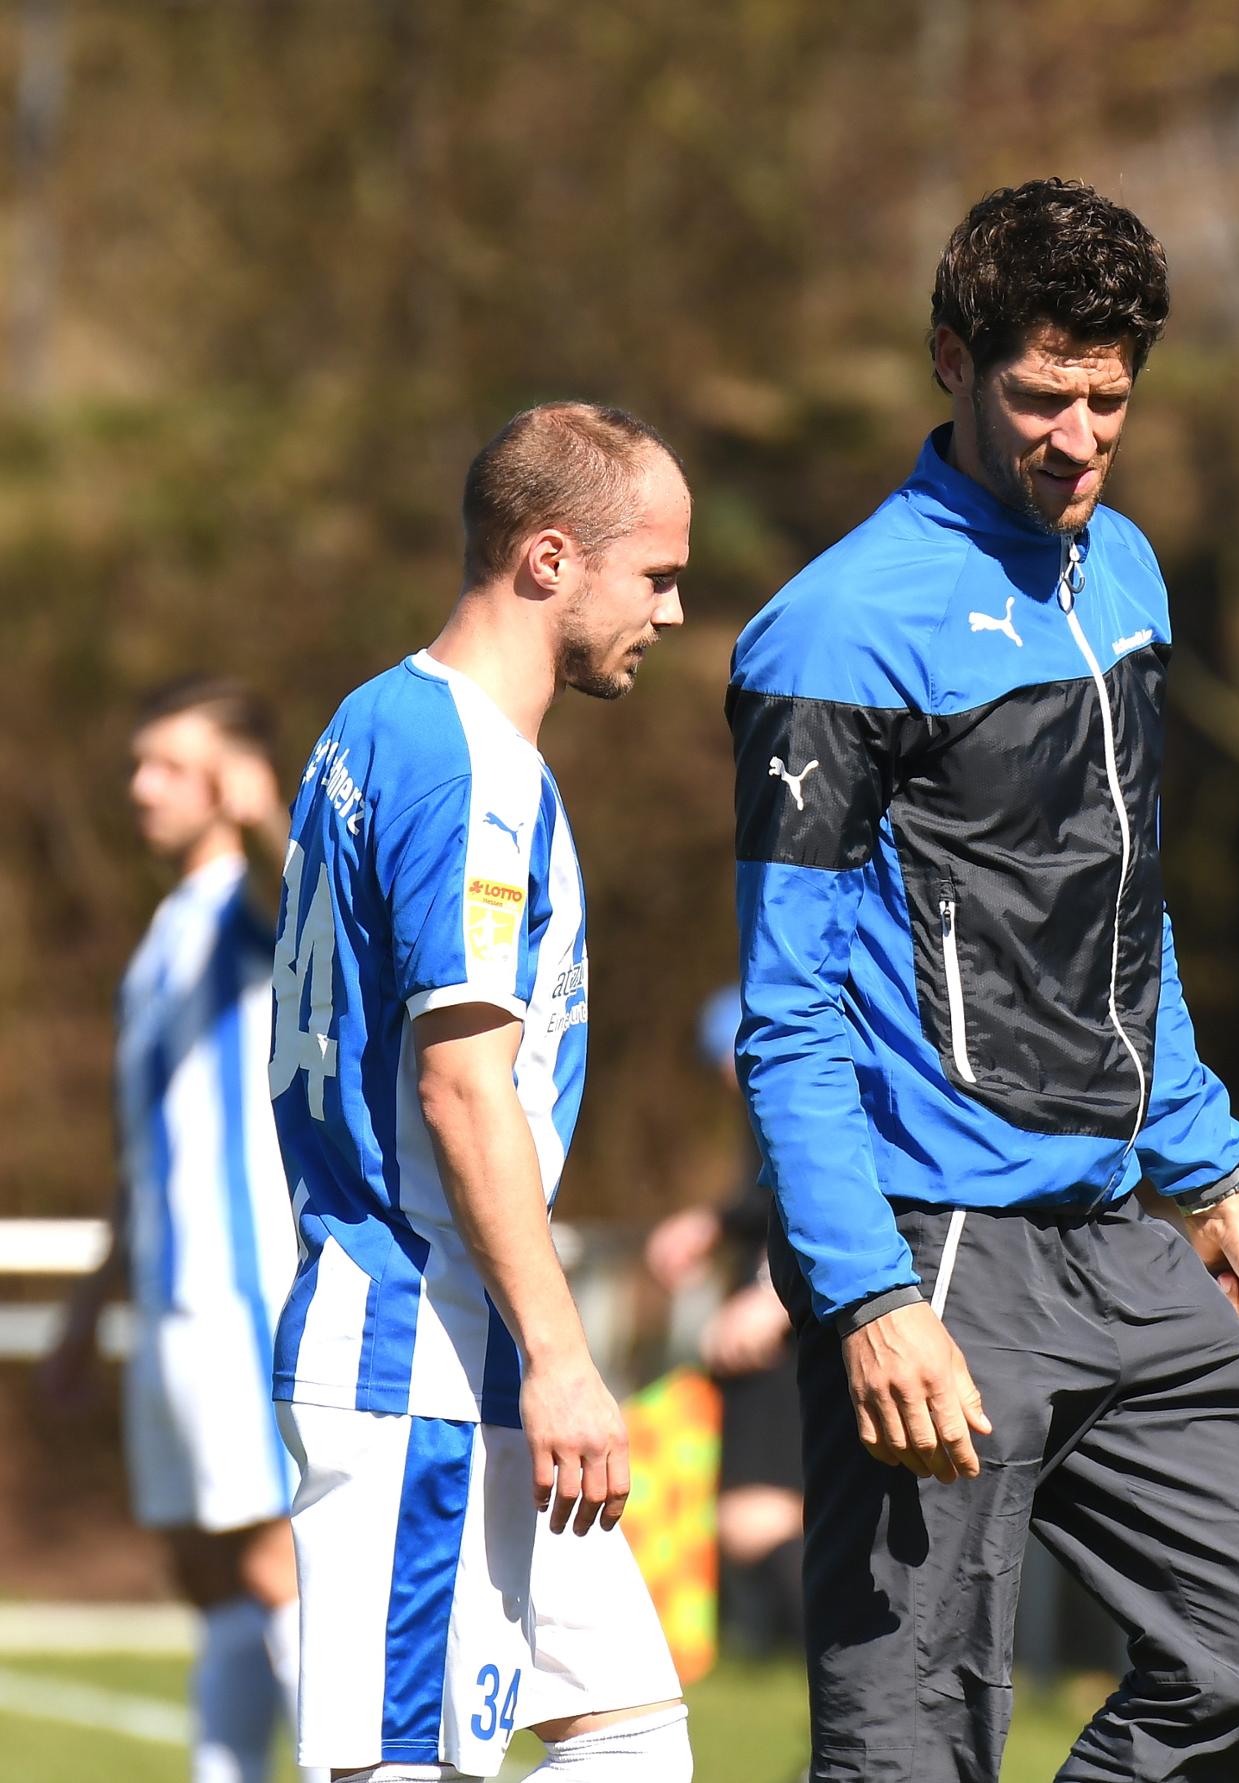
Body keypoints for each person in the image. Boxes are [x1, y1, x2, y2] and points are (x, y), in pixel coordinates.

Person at [728, 179, 1239, 1782]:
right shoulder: (835, 630)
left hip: (1121, 1233)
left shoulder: (1123, 571)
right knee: (914, 1745)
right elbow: (787, 1012)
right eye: (1042, 396)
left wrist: (1212, 1176)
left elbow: (1125, 914)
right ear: (953, 360)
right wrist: (866, 1296)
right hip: (935, 1245)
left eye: (1109, 400)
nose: (1078, 438)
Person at [268, 402, 694, 1783]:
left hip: (465, 1340)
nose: (673, 612)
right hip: (418, 1346)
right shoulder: (470, 768)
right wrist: (566, 1355)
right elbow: (461, 1086)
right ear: (551, 558)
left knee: (634, 1733)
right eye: (656, 575)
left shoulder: (374, 717)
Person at [42, 677, 322, 1783]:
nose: (141, 787)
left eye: (169, 764)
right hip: (167, 1302)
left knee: (274, 1562)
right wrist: (88, 1305)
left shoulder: (252, 906)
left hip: (240, 1292)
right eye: (137, 763)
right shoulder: (163, 934)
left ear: (230, 777)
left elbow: (319, 911)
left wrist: (267, 819)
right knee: (207, 1573)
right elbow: (139, 1153)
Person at [643, 986, 804, 1653]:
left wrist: (772, 1292)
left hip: (793, 1325)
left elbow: (817, 1191)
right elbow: (767, 1197)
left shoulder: (799, 1088)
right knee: (753, 1516)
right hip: (784, 1315)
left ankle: (850, 1674)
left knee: (758, 1515)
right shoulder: (767, 1101)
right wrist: (710, 1223)